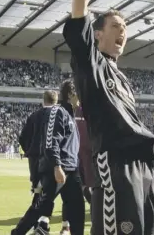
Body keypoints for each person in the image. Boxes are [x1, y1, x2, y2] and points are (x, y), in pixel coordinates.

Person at [62, 0, 154, 235]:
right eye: (116, 25)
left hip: (143, 168)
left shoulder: (122, 79)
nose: (123, 31)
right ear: (97, 34)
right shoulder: (89, 62)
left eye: (125, 27)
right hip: (116, 166)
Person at [12, 90, 85, 235]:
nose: (80, 99)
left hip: (71, 168)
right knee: (40, 206)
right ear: (70, 95)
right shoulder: (58, 112)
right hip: (58, 168)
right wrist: (56, 165)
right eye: (77, 94)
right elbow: (51, 141)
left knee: (77, 208)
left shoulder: (70, 114)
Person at [59, 80, 94, 235]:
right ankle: (65, 225)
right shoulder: (64, 112)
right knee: (70, 195)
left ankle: (95, 221)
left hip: (86, 160)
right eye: (74, 95)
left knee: (87, 193)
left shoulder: (84, 112)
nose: (76, 97)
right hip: (71, 160)